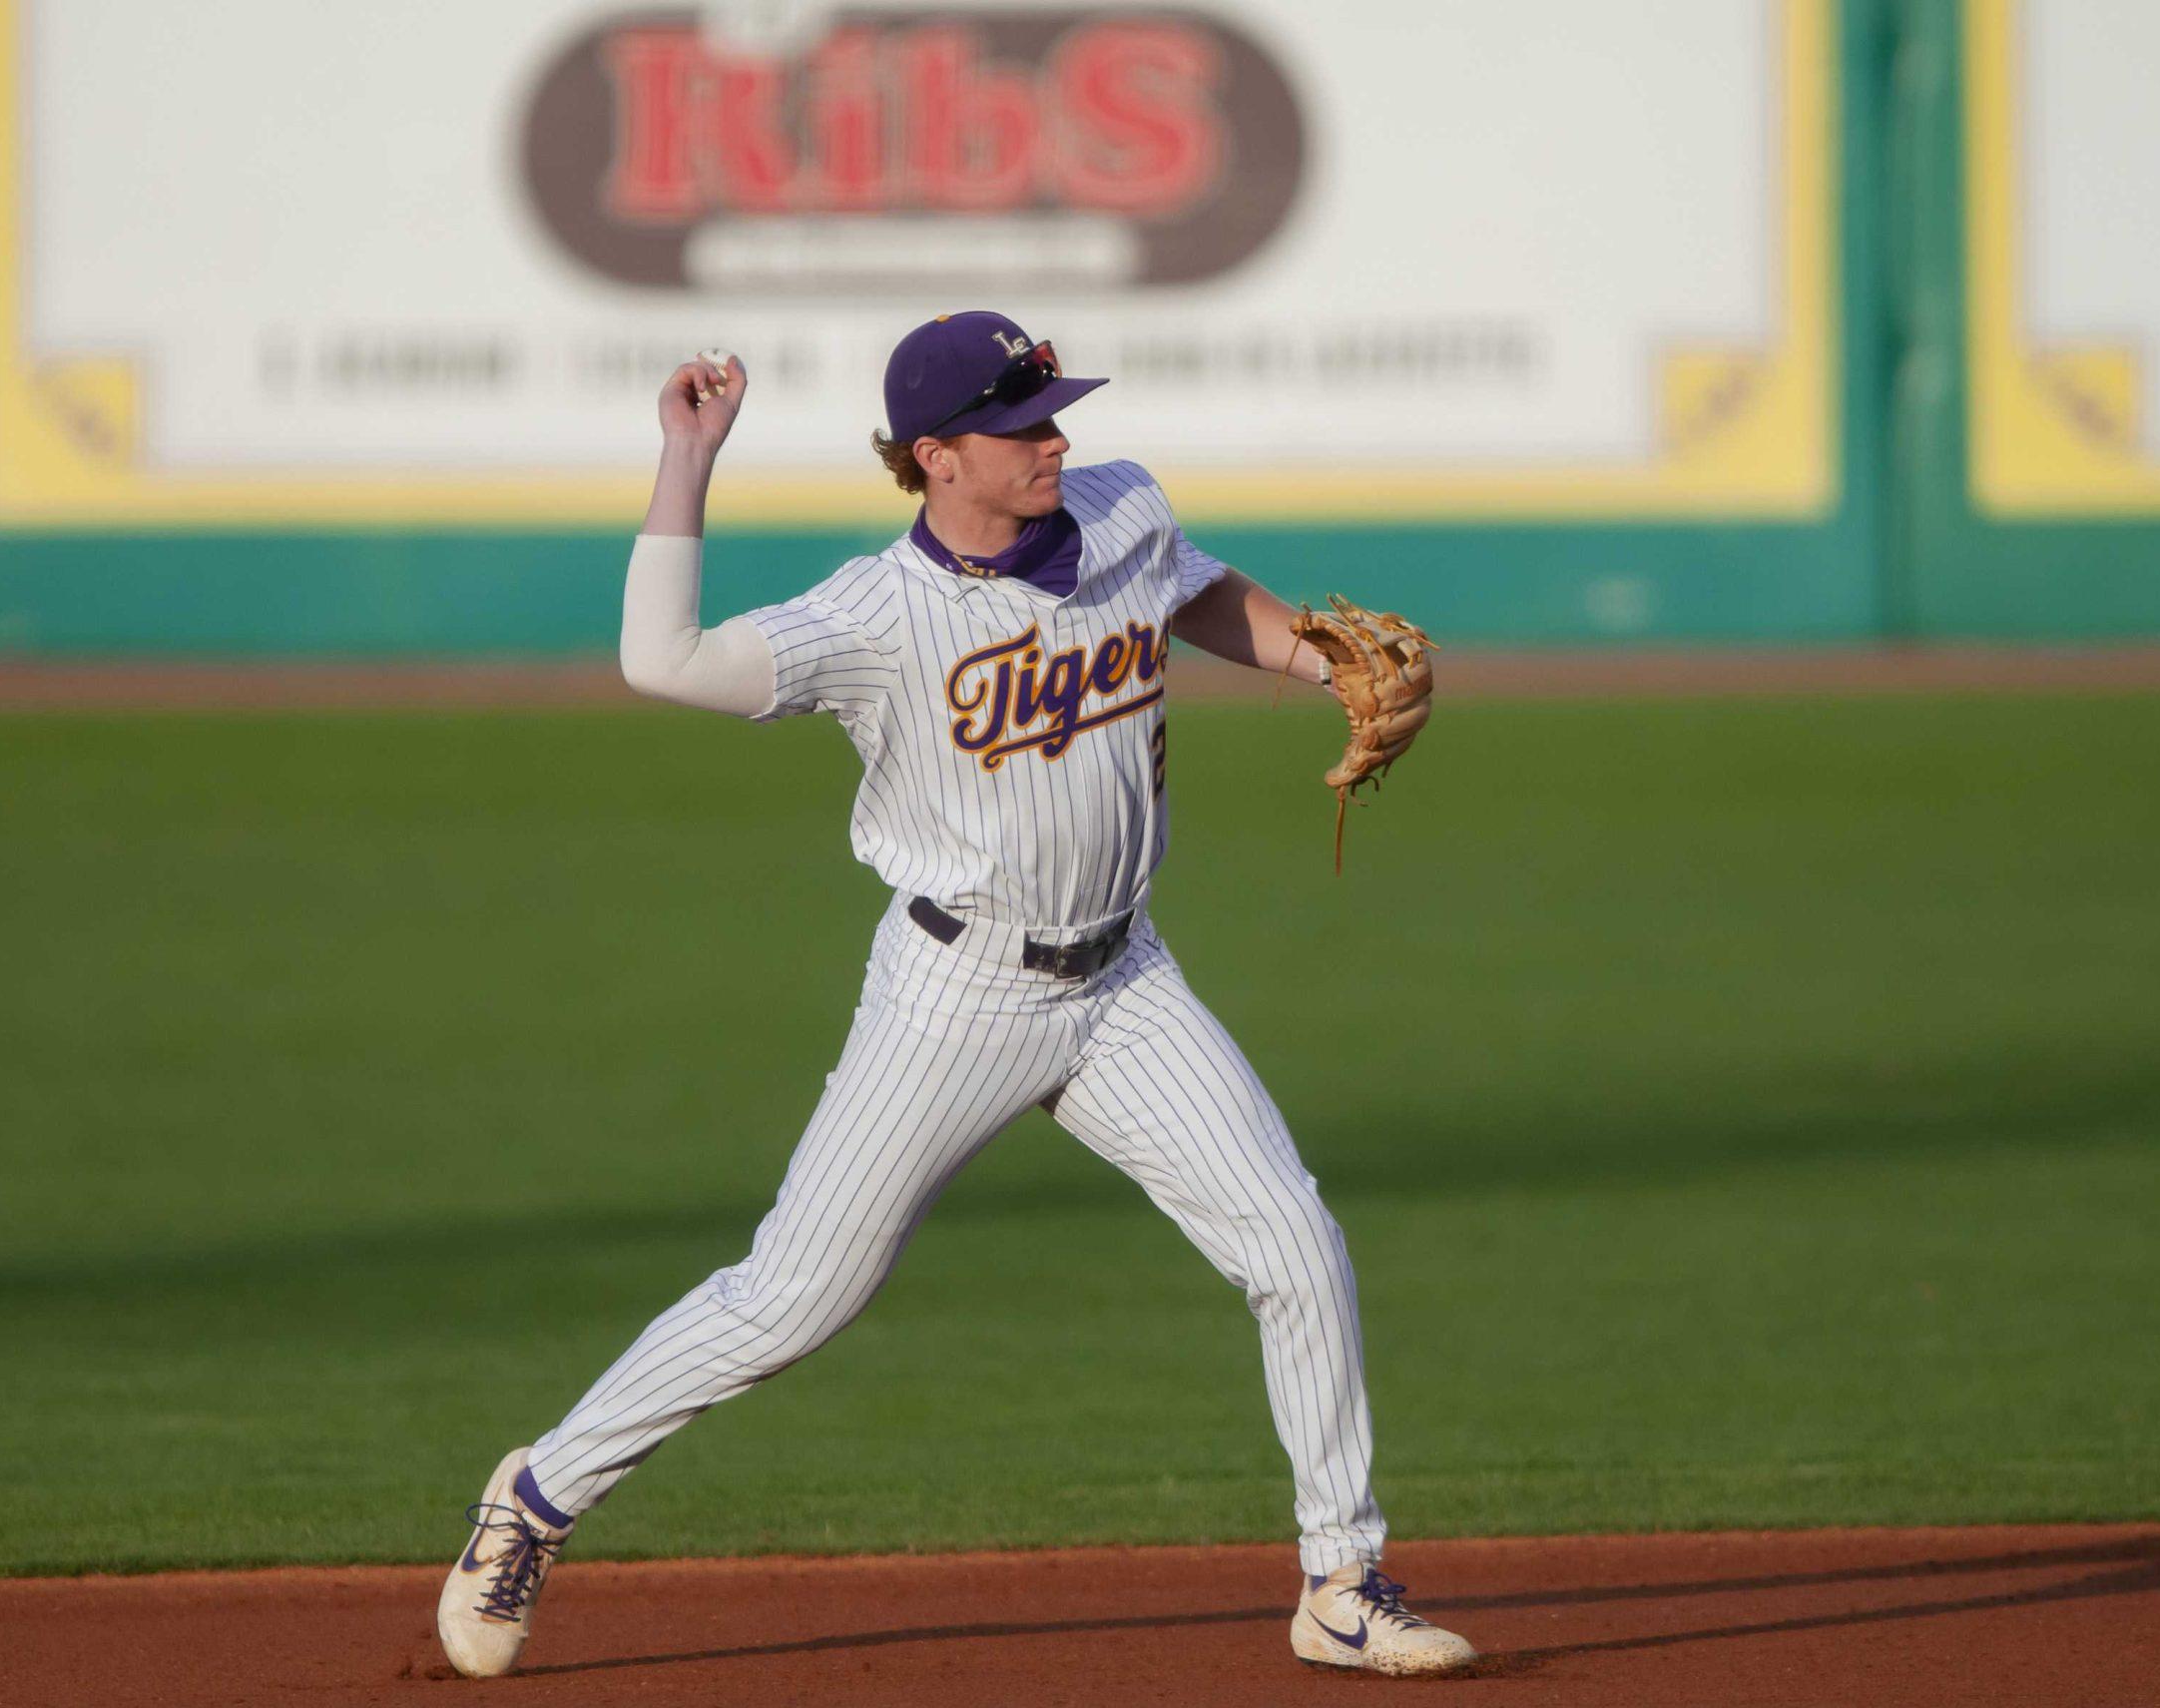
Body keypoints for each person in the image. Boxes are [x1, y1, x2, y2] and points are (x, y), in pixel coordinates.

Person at [437, 311, 1475, 1680]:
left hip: (1126, 979)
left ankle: (1340, 1580)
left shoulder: (1120, 506)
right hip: (956, 993)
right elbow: (661, 660)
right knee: (792, 1300)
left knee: (1294, 1243)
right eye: (1022, 425)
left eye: (1055, 414)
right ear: (936, 457)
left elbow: (1194, 586)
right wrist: (686, 458)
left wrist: (1314, 654)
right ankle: (537, 1496)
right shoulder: (872, 618)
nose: (1056, 441)